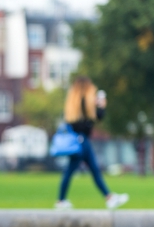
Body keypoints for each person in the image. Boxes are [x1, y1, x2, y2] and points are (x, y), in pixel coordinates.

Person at [55, 77, 129, 210]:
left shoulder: (73, 103)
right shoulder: (86, 102)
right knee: (89, 169)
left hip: (77, 141)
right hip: (82, 141)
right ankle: (108, 197)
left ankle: (108, 197)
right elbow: (96, 118)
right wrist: (101, 106)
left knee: (81, 170)